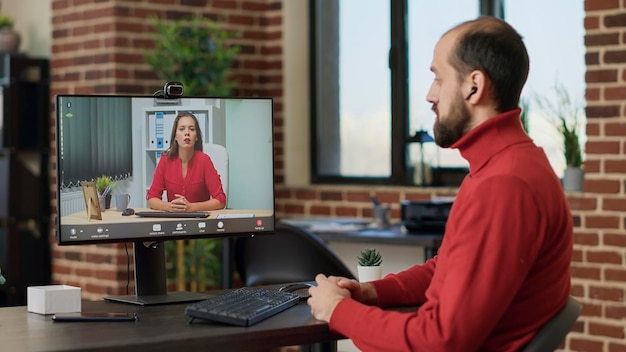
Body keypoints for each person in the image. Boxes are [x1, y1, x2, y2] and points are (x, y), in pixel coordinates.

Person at [307, 16, 573, 351]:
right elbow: (445, 269)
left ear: (473, 86)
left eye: (437, 78)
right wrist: (372, 292)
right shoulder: (504, 166)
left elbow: (439, 341)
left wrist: (337, 310)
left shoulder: (504, 184)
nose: (429, 95)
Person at [146, 111, 226, 211]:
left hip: (199, 221)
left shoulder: (204, 160)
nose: (187, 133)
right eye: (182, 129)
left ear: (196, 137)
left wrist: (192, 207)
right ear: (175, 136)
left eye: (191, 129)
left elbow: (221, 200)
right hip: (174, 220)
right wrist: (169, 207)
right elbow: (152, 198)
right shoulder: (165, 160)